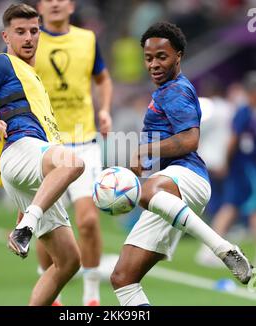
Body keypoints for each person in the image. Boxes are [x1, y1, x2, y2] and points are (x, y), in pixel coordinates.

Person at [110, 22, 255, 306]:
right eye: (149, 58)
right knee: (123, 278)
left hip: (188, 177)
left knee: (142, 190)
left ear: (178, 56)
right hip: (170, 185)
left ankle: (221, 247)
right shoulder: (163, 92)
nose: (153, 64)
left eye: (161, 57)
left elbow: (190, 140)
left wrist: (144, 150)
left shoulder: (175, 90)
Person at [0, 3, 84, 306]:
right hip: (19, 149)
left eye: (34, 31)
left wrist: (25, 200)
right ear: (5, 36)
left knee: (68, 262)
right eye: (20, 32)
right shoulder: (1, 64)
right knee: (73, 161)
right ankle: (26, 226)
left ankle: (25, 221)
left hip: (30, 168)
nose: (28, 37)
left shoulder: (33, 78)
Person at [34, 0, 113, 306]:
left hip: (84, 142)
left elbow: (103, 78)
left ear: (71, 5)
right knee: (48, 225)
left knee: (88, 222)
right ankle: (53, 292)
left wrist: (104, 110)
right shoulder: (28, 42)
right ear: (39, 6)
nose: (54, 3)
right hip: (45, 145)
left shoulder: (87, 39)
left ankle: (91, 296)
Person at [197, 71, 256, 267]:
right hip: (242, 169)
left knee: (245, 208)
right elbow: (233, 140)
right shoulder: (243, 112)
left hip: (248, 167)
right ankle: (209, 249)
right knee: (230, 205)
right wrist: (226, 162)